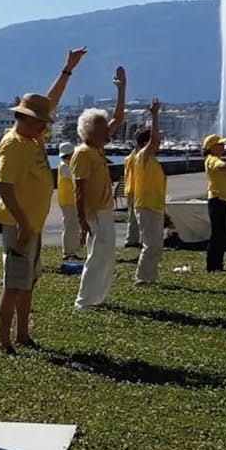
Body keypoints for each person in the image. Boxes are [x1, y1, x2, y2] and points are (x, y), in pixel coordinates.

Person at [0, 47, 87, 353]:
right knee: (14, 283)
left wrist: (67, 69)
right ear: (24, 119)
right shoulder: (14, 145)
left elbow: (49, 102)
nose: (45, 126)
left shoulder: (33, 138)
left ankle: (23, 333)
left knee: (29, 282)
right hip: (17, 224)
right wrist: (21, 223)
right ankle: (4, 341)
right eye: (40, 122)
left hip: (31, 224)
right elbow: (3, 186)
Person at [72, 66, 128, 308]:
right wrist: (82, 220)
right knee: (96, 257)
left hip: (104, 210)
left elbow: (119, 119)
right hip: (94, 212)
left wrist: (121, 89)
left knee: (106, 256)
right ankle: (84, 301)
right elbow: (79, 189)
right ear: (90, 131)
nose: (108, 130)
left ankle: (98, 298)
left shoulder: (97, 149)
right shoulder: (83, 153)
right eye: (103, 128)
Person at [131, 99, 166, 285]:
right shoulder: (142, 156)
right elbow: (154, 139)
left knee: (156, 246)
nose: (159, 144)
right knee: (151, 245)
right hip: (146, 206)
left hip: (155, 206)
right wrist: (155, 115)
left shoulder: (151, 160)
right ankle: (142, 278)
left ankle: (149, 277)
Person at [202, 133, 226, 272]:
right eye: (220, 144)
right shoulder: (212, 159)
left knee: (223, 233)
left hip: (225, 198)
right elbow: (221, 166)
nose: (223, 147)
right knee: (217, 234)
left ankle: (218, 264)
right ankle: (212, 265)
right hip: (217, 199)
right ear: (212, 147)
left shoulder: (216, 158)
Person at [56, 143, 80, 260]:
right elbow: (75, 178)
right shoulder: (65, 167)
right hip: (68, 200)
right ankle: (68, 252)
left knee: (73, 226)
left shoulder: (66, 165)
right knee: (69, 226)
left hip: (70, 200)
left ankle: (72, 251)